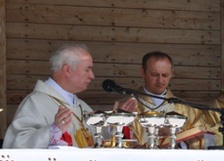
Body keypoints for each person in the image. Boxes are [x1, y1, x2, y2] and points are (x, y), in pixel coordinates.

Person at [4, 43, 137, 148]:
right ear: (68, 69)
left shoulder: (81, 105)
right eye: (87, 69)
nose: (92, 76)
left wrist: (114, 124)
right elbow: (16, 145)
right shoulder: (36, 102)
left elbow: (93, 141)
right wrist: (52, 131)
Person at [130, 51, 209, 148]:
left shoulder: (186, 109)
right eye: (154, 75)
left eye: (165, 75)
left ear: (172, 74)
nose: (160, 80)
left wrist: (175, 134)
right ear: (143, 72)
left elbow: (202, 141)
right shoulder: (129, 106)